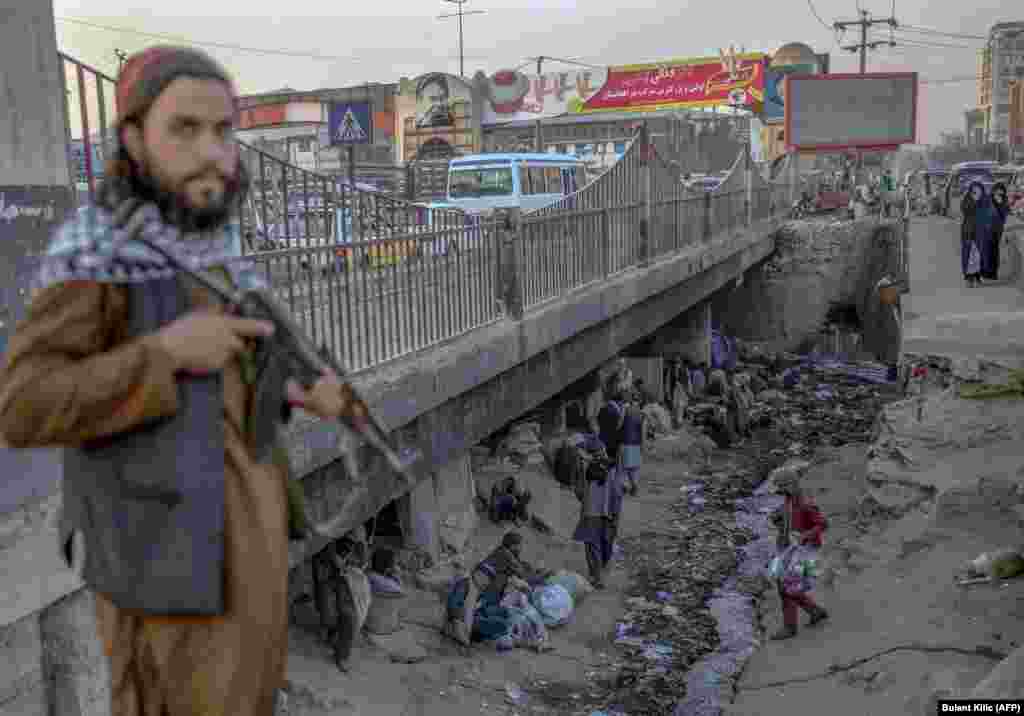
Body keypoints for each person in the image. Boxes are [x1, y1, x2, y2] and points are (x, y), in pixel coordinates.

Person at [0, 46, 359, 715]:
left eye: (223, 131)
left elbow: (218, 383)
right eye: (183, 130)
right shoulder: (97, 254)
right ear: (134, 139)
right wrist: (164, 353)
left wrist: (295, 391)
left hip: (238, 554)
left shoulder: (203, 247)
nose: (210, 152)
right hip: (162, 572)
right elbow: (25, 405)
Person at [444, 532, 549, 646]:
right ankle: (462, 629)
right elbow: (522, 573)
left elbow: (520, 574)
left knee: (503, 620)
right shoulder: (466, 585)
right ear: (513, 545)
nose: (521, 548)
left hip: (482, 610)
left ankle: (467, 629)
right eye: (519, 545)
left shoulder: (496, 573)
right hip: (473, 616)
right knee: (495, 622)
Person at [769, 472, 829, 641]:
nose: (780, 491)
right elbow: (788, 515)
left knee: (787, 586)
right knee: (785, 585)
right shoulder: (790, 500)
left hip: (803, 550)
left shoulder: (805, 504)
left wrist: (805, 535)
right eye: (779, 487)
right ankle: (814, 611)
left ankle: (790, 627)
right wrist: (778, 517)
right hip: (789, 548)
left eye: (782, 487)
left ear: (792, 485)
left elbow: (823, 524)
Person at [312, 528, 369, 673]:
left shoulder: (358, 535)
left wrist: (349, 563)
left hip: (346, 579)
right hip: (327, 573)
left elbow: (362, 561)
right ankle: (331, 631)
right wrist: (332, 557)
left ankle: (342, 655)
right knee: (327, 612)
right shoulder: (327, 534)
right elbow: (320, 552)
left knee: (349, 613)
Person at [572, 446, 618, 589]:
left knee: (592, 547)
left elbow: (578, 492)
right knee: (603, 544)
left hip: (590, 513)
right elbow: (616, 494)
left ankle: (597, 578)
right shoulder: (612, 471)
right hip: (606, 514)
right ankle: (599, 574)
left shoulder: (586, 472)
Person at [619, 395, 645, 496]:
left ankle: (625, 487)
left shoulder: (625, 411)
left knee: (624, 467)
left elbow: (619, 425)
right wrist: (643, 445)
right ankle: (634, 487)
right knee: (634, 468)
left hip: (625, 442)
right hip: (636, 444)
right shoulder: (642, 414)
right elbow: (643, 432)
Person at [961, 182, 984, 287]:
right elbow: (965, 210)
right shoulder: (967, 200)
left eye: (979, 190)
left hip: (980, 232)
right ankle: (969, 278)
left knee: (979, 255)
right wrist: (975, 200)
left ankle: (977, 276)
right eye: (975, 190)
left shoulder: (984, 201)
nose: (977, 192)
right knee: (968, 255)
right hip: (968, 232)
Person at [988, 182, 1012, 282]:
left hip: (998, 229)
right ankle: (987, 272)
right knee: (988, 250)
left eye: (1001, 190)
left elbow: (1007, 212)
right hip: (988, 228)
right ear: (994, 190)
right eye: (997, 190)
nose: (999, 192)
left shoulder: (1004, 200)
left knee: (995, 250)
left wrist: (1002, 203)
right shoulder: (989, 199)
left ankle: (993, 273)